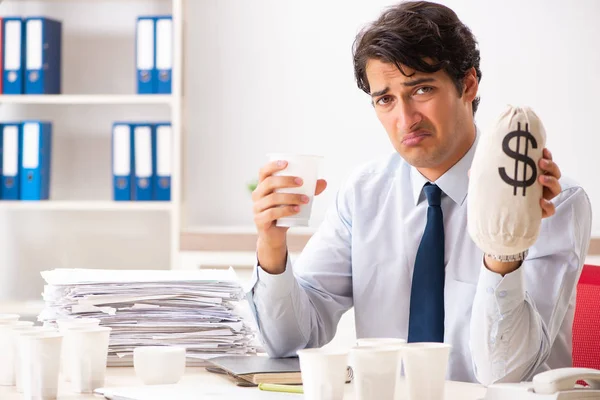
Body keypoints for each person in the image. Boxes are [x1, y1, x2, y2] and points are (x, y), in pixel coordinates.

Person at [246, 0, 592, 385]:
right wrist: (272, 246)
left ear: (468, 85)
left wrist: (503, 253)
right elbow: (291, 341)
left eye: (422, 89)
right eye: (385, 99)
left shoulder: (548, 200)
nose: (405, 119)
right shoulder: (364, 194)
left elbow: (506, 373)